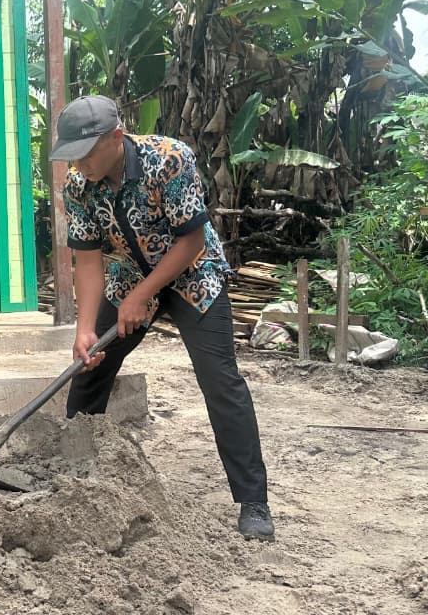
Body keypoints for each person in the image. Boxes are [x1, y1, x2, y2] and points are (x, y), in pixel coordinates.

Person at [49, 94, 274, 541]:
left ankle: (253, 501)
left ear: (116, 137)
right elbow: (89, 261)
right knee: (91, 370)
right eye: (71, 156)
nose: (80, 166)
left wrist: (144, 296)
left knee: (221, 381)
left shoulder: (168, 159)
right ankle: (73, 473)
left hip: (194, 274)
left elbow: (191, 241)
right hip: (131, 274)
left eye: (86, 154)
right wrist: (86, 329)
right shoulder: (78, 187)